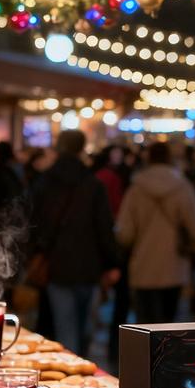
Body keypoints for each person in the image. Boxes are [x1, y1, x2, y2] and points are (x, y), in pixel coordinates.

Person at [29, 129, 120, 357]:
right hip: (89, 265)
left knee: (65, 327)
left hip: (57, 265)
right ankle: (82, 372)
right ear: (81, 148)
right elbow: (104, 227)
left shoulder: (45, 182)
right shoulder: (93, 183)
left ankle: (71, 376)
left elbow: (33, 224)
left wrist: (36, 253)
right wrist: (112, 263)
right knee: (86, 327)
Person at [116, 141, 195, 325]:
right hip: (175, 266)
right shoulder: (182, 187)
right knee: (171, 325)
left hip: (143, 266)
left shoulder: (136, 188)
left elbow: (124, 233)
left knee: (146, 326)